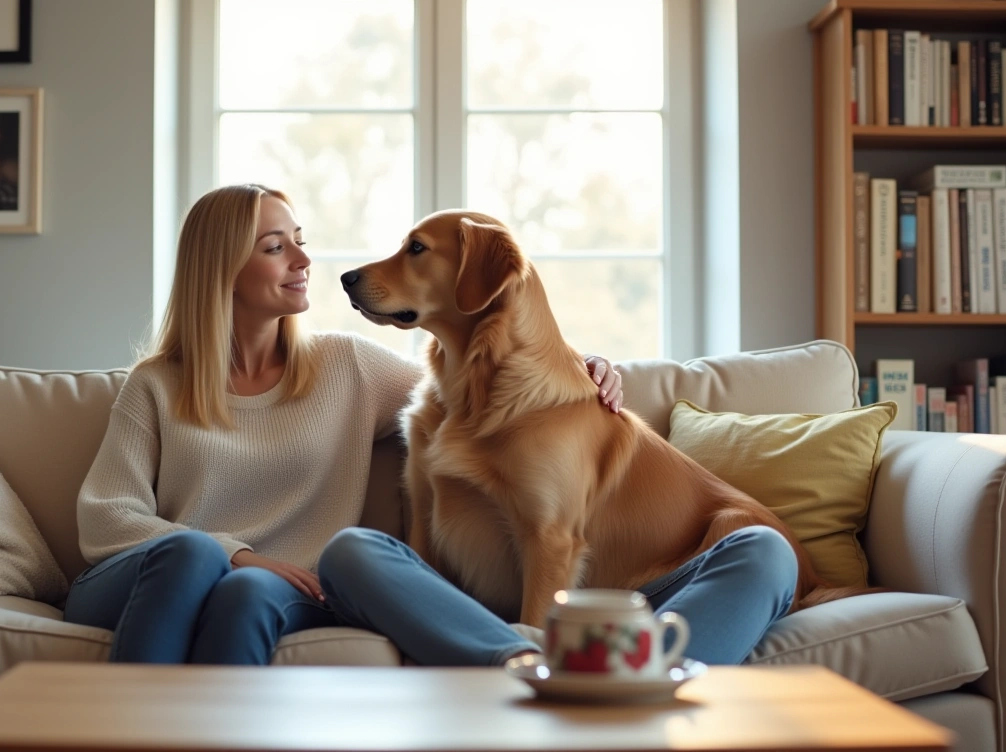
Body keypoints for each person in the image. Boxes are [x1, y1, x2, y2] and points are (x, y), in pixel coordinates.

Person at [61, 183, 626, 666]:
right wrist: (235, 552)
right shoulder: (156, 384)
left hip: (285, 588)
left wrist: (584, 369)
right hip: (149, 579)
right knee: (195, 556)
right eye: (277, 248)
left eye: (300, 244)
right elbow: (106, 518)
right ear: (223, 268)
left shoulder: (347, 367)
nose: (304, 262)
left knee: (248, 593)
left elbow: (483, 397)